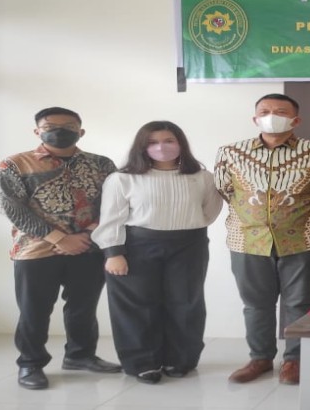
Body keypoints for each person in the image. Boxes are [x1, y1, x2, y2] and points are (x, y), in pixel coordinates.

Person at [0, 106, 121, 390]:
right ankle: (30, 364)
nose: (60, 131)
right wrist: (59, 238)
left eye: (69, 126)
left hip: (89, 247)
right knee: (34, 311)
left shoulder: (101, 164)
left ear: (81, 131)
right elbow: (12, 208)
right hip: (35, 250)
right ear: (37, 131)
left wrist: (87, 234)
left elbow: (115, 203)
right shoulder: (15, 164)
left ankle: (80, 355)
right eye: (51, 126)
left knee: (83, 308)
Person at [215, 94, 310, 385]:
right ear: (255, 118)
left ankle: (295, 360)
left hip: (305, 238)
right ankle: (260, 358)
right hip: (247, 240)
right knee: (256, 303)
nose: (272, 116)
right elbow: (225, 189)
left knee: (300, 302)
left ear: (296, 120)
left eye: (281, 111)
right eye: (265, 111)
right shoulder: (230, 152)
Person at [91, 121, 222, 384]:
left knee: (186, 303)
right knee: (137, 306)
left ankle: (180, 359)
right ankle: (142, 363)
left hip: (189, 245)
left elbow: (210, 210)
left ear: (180, 143)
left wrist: (185, 225)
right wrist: (113, 252)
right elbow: (111, 217)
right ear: (142, 146)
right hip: (136, 246)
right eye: (152, 142)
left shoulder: (202, 177)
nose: (161, 147)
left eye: (168, 141)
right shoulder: (122, 179)